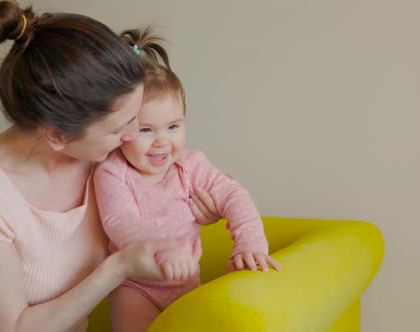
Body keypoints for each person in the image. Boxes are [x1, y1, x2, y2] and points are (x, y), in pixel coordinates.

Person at [0, 2, 220, 331]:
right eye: (117, 129)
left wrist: (191, 212)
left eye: (135, 120)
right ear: (58, 135)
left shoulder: (108, 159)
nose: (131, 136)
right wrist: (118, 268)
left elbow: (163, 197)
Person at [93, 28, 282, 332]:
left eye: (173, 126)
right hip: (135, 286)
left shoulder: (191, 165)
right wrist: (163, 247)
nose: (161, 142)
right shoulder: (113, 171)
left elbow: (234, 196)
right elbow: (118, 221)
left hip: (186, 284)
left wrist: (250, 243)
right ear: (120, 129)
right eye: (146, 130)